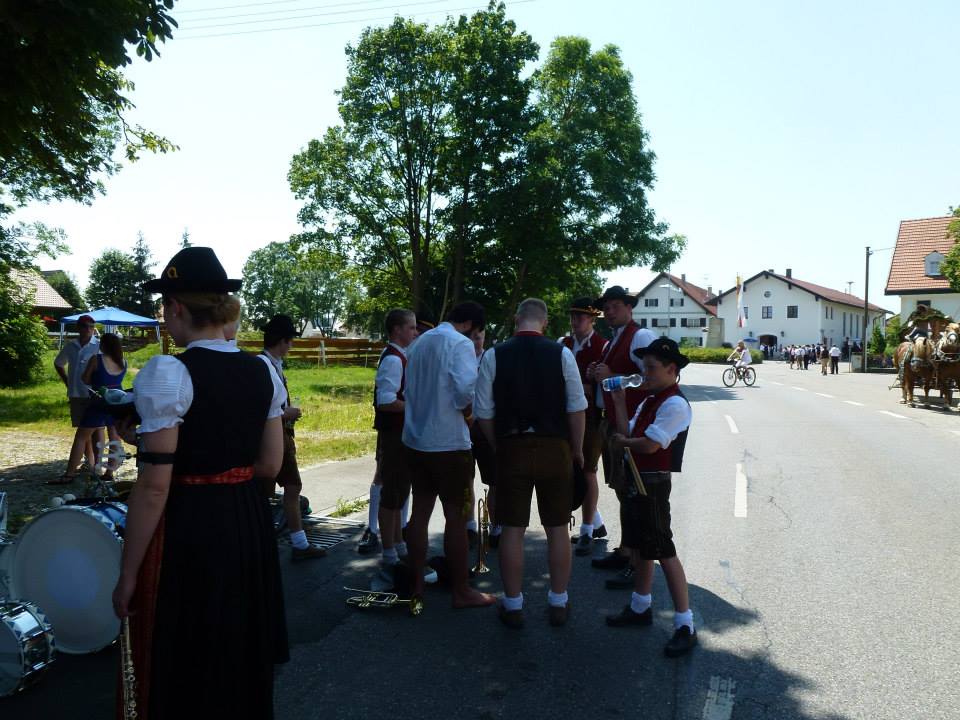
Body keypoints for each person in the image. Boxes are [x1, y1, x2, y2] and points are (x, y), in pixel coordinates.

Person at [111, 247, 288, 719]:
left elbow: (154, 487)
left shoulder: (170, 371)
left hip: (192, 527)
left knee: (190, 653)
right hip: (247, 521)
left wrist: (128, 574)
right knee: (239, 650)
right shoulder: (263, 370)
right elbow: (270, 465)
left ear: (176, 308)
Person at [475, 298, 586, 627]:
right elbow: (577, 407)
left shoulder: (494, 354)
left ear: (516, 319)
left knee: (512, 529)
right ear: (545, 322)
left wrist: (498, 444)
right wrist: (577, 450)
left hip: (512, 445)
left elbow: (483, 412)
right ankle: (558, 601)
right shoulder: (562, 354)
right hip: (556, 447)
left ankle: (513, 605)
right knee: (558, 528)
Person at [605, 337, 697, 658]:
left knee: (663, 549)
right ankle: (640, 606)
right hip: (638, 479)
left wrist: (622, 443)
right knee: (642, 546)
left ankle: (685, 624)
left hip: (653, 483)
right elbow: (627, 432)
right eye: (644, 366)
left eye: (652, 367)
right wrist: (619, 402)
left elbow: (649, 445)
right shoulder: (650, 400)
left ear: (672, 369)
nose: (645, 373)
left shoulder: (675, 404)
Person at [402, 301, 495, 608]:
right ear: (469, 325)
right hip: (449, 444)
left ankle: (416, 585)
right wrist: (469, 416)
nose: (475, 338)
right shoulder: (460, 344)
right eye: (476, 331)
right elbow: (466, 393)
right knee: (456, 518)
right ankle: (461, 591)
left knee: (419, 513)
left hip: (415, 441)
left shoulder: (419, 342)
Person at [587, 285, 657, 588]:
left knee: (632, 494)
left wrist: (612, 377)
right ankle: (627, 551)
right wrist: (597, 374)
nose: (609, 312)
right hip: (613, 423)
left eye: (615, 306)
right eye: (606, 308)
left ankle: (635, 563)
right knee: (622, 491)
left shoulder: (640, 337)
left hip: (629, 427)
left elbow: (652, 378)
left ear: (629, 308)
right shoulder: (614, 340)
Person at [259, 314, 327, 561]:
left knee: (283, 488)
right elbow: (260, 406)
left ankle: (289, 542)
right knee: (283, 488)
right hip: (272, 436)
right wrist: (285, 413)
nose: (291, 346)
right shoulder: (263, 365)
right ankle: (294, 544)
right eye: (290, 341)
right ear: (283, 341)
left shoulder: (272, 364)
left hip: (279, 433)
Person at [372, 308, 418, 583]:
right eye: (411, 327)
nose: (415, 332)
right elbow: (386, 400)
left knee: (401, 490)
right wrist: (415, 405)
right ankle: (388, 550)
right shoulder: (393, 359)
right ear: (397, 330)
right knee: (391, 492)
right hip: (394, 435)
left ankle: (398, 542)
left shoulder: (401, 356)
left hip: (401, 434)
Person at [560, 297, 608, 556]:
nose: (575, 320)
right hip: (565, 416)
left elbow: (607, 384)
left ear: (592, 319)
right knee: (568, 469)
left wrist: (593, 383)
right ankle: (596, 523)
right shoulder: (563, 344)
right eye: (573, 316)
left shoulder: (603, 346)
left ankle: (587, 529)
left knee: (587, 470)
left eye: (581, 316)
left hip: (591, 417)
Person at [53, 314, 101, 483]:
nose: (88, 329)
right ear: (78, 328)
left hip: (93, 394)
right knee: (83, 430)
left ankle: (97, 467)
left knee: (96, 431)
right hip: (76, 393)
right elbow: (58, 363)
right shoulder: (71, 346)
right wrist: (67, 380)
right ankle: (90, 463)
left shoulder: (98, 345)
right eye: (85, 326)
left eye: (91, 326)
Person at [78, 332, 127, 479]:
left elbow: (85, 379)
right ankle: (110, 472)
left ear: (103, 345)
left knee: (83, 435)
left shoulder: (96, 359)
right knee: (114, 437)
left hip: (99, 399)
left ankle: (77, 471)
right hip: (117, 399)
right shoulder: (123, 361)